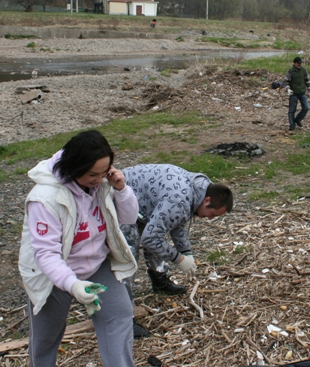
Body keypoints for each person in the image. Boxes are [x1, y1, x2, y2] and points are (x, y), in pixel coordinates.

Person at [18, 130, 139, 367]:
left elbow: (130, 217)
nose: (99, 179)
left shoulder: (102, 184)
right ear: (74, 167)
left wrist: (121, 189)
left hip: (96, 265)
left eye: (104, 172)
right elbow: (45, 254)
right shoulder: (44, 198)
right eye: (92, 174)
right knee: (46, 337)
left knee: (120, 315)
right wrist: (72, 284)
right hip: (52, 274)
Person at [120, 164, 233, 295]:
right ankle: (121, 302)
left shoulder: (198, 191)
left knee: (158, 234)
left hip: (143, 200)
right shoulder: (179, 201)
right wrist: (179, 258)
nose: (210, 219)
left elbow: (177, 222)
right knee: (128, 252)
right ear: (207, 201)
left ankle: (159, 280)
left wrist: (186, 251)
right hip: (122, 194)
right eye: (213, 214)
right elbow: (150, 238)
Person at [284, 56, 310, 131]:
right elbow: (286, 81)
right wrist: (288, 89)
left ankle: (297, 119)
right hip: (293, 93)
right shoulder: (290, 71)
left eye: (300, 63)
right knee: (292, 110)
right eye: (298, 64)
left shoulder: (304, 70)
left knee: (306, 108)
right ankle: (292, 125)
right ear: (295, 63)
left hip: (302, 92)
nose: (300, 65)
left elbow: (307, 80)